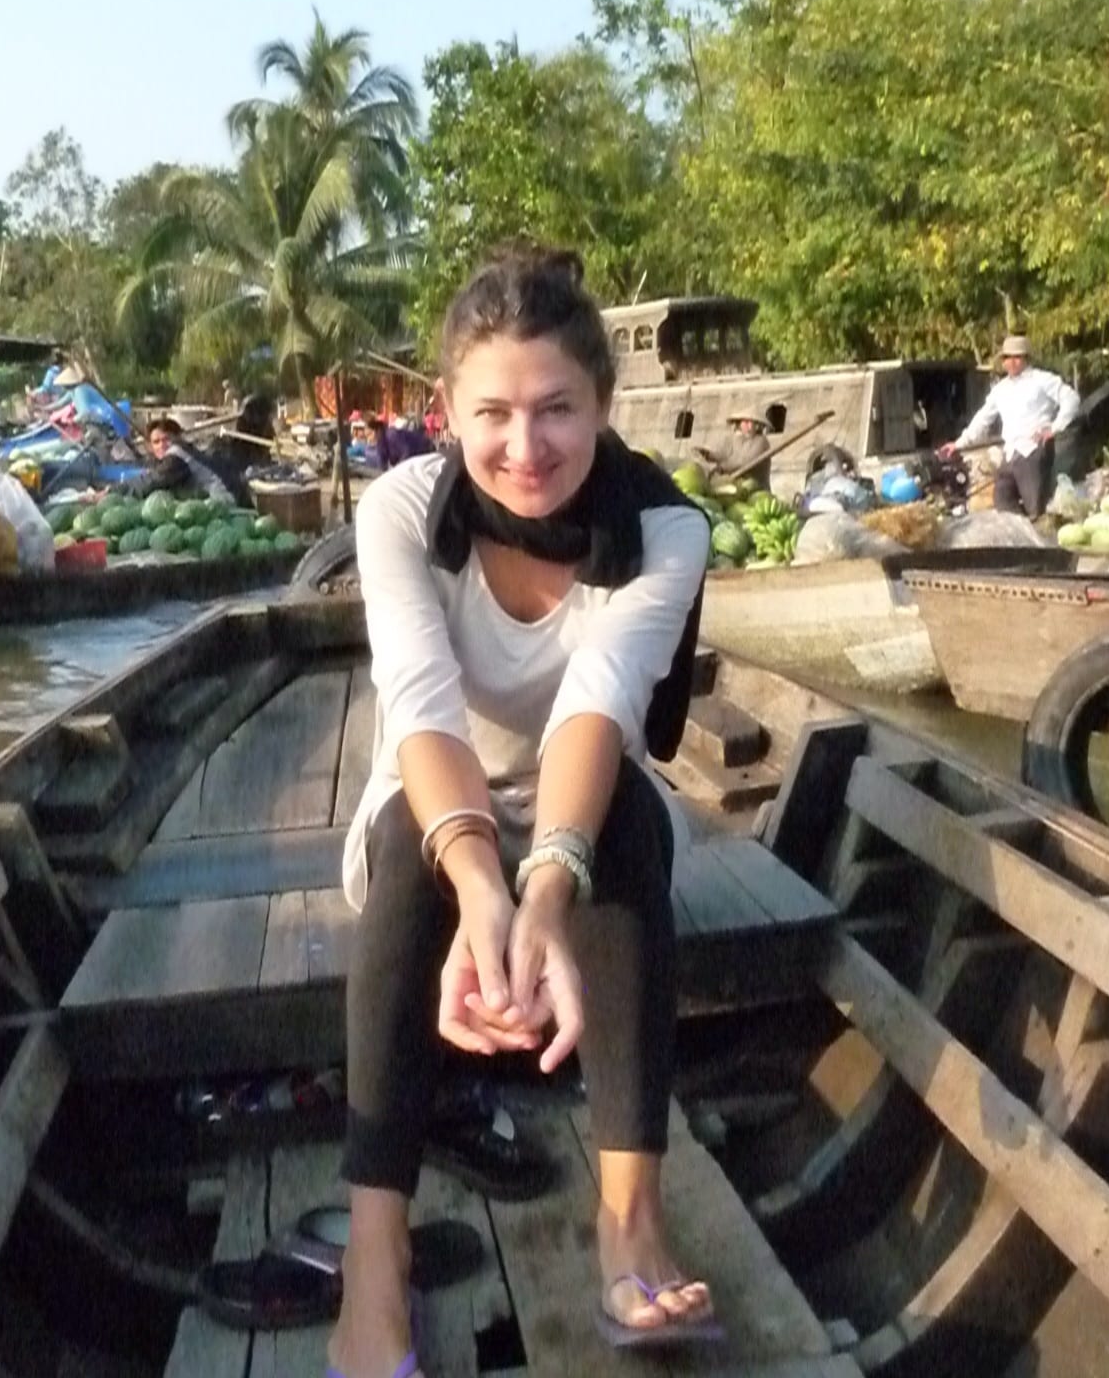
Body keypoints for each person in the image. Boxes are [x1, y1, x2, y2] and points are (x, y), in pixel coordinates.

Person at [330, 246, 715, 1378]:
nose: (523, 444)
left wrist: (542, 886)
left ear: (603, 405)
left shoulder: (664, 532)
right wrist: (481, 884)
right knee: (411, 839)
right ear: (444, 409)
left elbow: (598, 709)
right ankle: (371, 1257)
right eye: (491, 411)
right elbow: (418, 707)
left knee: (625, 828)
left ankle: (629, 1220)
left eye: (557, 409)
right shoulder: (401, 508)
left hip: (584, 792)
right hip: (436, 788)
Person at [942, 334, 1080, 518]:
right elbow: (983, 418)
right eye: (1007, 358)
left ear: (1026, 359)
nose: (1011, 362)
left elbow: (1071, 398)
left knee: (1035, 508)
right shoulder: (1001, 389)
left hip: (1033, 450)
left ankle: (1038, 540)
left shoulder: (1042, 380)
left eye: (1017, 357)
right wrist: (959, 443)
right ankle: (1020, 539)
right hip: (1011, 452)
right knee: (1003, 499)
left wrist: (1055, 427)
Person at [147, 416, 232, 503]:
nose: (162, 445)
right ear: (150, 446)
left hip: (223, 501)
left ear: (178, 438)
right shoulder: (188, 450)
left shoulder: (177, 455)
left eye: (166, 439)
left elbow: (154, 481)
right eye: (156, 442)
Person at [699, 412, 772, 492]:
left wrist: (722, 468)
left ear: (758, 426)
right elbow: (725, 455)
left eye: (751, 423)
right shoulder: (734, 438)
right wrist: (709, 455)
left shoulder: (761, 441)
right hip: (734, 485)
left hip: (756, 488)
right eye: (745, 422)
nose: (748, 426)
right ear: (739, 424)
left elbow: (746, 462)